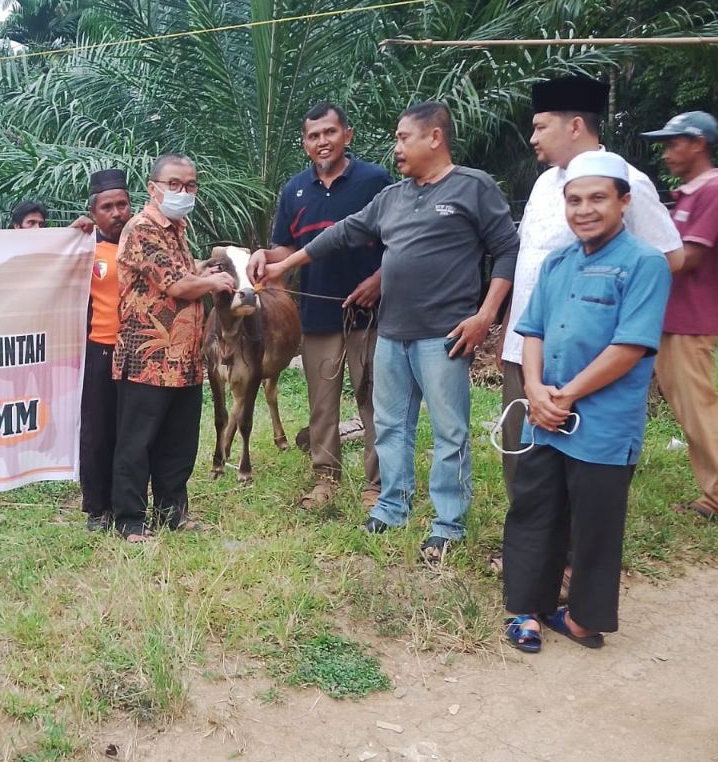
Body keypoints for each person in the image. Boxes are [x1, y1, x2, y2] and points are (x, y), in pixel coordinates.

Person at [251, 102, 519, 562]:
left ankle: (448, 522)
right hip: (392, 332)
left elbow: (508, 251)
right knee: (391, 425)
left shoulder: (473, 187)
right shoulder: (393, 197)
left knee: (450, 431)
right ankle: (392, 506)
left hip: (445, 334)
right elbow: (341, 233)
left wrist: (486, 316)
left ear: (434, 137)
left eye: (403, 138)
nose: (396, 148)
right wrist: (285, 265)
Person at [502, 151, 671, 652]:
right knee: (534, 511)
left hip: (603, 423)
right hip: (545, 416)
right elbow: (530, 330)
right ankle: (527, 612)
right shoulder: (557, 263)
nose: (584, 210)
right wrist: (534, 390)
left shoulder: (645, 264)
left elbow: (632, 345)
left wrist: (566, 395)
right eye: (574, 200)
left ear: (624, 202)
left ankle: (583, 618)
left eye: (597, 198)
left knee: (595, 523)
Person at [497, 77, 682, 499]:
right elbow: (530, 261)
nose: (532, 138)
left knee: (580, 460)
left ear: (575, 126)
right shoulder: (547, 184)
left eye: (541, 127)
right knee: (522, 446)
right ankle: (533, 551)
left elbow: (667, 257)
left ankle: (572, 554)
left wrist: (609, 320)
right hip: (528, 344)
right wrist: (510, 327)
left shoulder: (625, 183)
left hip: (588, 352)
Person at [249, 102, 392, 510]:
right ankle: (325, 480)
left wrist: (379, 281)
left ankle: (376, 485)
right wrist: (264, 256)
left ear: (346, 134)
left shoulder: (374, 180)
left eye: (329, 132)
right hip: (318, 317)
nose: (322, 142)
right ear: (305, 143)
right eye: (313, 136)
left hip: (371, 315)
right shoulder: (294, 189)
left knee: (374, 400)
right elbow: (286, 249)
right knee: (322, 403)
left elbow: (398, 241)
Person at [111, 153, 235, 542]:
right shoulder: (142, 228)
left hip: (184, 359)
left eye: (191, 185)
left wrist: (202, 269)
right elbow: (175, 285)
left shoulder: (176, 228)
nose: (184, 192)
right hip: (148, 356)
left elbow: (181, 272)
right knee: (137, 443)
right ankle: (130, 521)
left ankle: (172, 512)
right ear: (153, 188)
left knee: (179, 442)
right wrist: (214, 284)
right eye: (175, 185)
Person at [641, 110, 718, 521]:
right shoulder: (689, 194)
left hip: (690, 320)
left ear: (698, 143)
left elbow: (691, 256)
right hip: (669, 317)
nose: (667, 153)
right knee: (687, 410)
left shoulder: (716, 191)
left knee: (699, 410)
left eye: (673, 143)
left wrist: (634, 264)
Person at [81, 168, 134, 531]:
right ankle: (98, 508)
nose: (117, 213)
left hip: (141, 352)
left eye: (123, 205)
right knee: (98, 431)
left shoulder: (146, 243)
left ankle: (129, 502)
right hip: (100, 349)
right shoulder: (84, 248)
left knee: (134, 432)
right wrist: (66, 237)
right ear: (94, 212)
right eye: (108, 207)